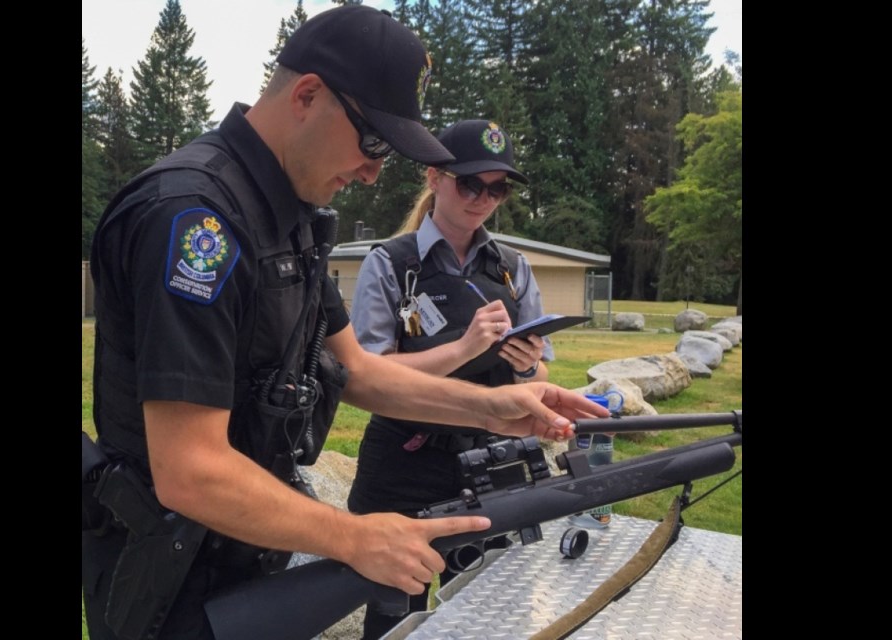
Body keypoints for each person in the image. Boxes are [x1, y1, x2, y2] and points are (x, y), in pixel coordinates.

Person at [81, 6, 608, 640]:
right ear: (308, 95)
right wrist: (357, 536)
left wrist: (492, 407)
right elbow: (190, 467)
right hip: (169, 579)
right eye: (374, 143)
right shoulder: (196, 221)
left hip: (247, 549)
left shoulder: (290, 216)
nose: (373, 171)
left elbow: (355, 369)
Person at [346, 119, 553, 638]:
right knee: (394, 613)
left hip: (495, 459)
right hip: (404, 461)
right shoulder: (390, 264)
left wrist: (527, 365)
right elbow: (367, 372)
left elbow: (541, 368)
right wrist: (464, 347)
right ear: (435, 178)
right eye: (470, 183)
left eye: (497, 188)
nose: (483, 198)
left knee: (493, 613)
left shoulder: (513, 268)